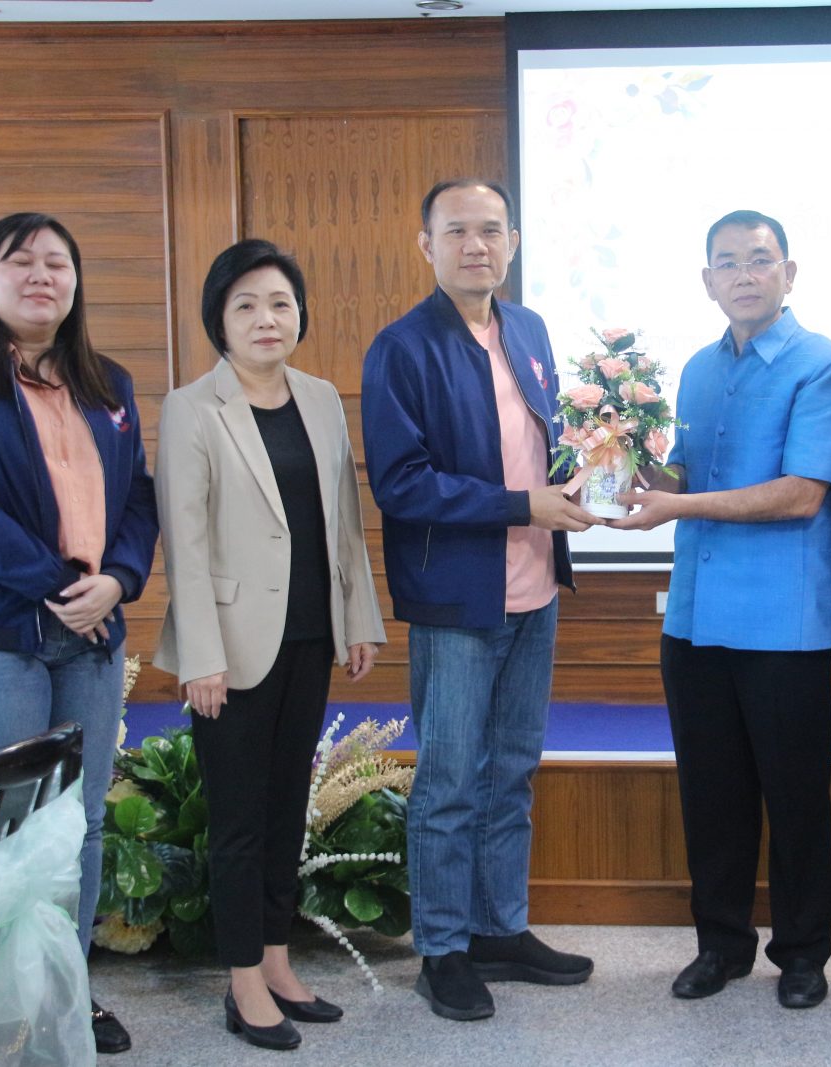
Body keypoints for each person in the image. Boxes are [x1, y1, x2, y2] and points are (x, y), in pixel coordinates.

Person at [0, 211, 159, 1055]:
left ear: (77, 282)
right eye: (21, 261)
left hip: (92, 630)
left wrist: (118, 579)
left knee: (80, 824)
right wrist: (58, 584)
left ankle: (65, 993)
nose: (42, 274)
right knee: (10, 828)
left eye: (58, 262)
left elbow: (138, 498)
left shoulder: (108, 384)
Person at [613, 209, 831, 1010]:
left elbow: (801, 493)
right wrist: (627, 468)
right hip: (693, 618)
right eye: (728, 262)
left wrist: (677, 506)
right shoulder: (695, 369)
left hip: (782, 622)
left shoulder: (823, 365)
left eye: (760, 259)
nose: (744, 275)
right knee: (710, 795)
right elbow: (686, 475)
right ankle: (720, 944)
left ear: (790, 271)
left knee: (794, 795)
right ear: (707, 280)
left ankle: (803, 952)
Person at [362, 178, 595, 1023]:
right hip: (457, 598)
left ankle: (500, 928)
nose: (476, 245)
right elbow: (401, 484)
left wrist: (591, 470)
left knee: (512, 770)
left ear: (514, 242)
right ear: (426, 245)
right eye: (457, 231)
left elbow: (545, 442)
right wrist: (522, 504)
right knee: (451, 780)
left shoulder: (527, 329)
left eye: (491, 230)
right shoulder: (401, 348)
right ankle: (443, 948)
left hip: (536, 589)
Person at [154, 239, 385, 1050]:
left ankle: (280, 961)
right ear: (218, 317)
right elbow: (184, 540)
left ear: (300, 314)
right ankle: (243, 979)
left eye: (280, 303)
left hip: (311, 634)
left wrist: (358, 617)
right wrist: (200, 654)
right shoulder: (193, 406)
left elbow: (344, 521)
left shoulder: (320, 397)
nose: (266, 318)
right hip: (231, 647)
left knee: (288, 808)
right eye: (246, 304)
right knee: (239, 818)